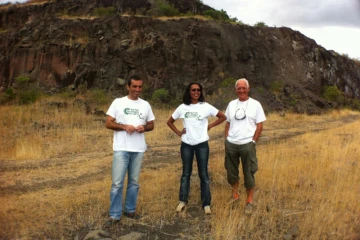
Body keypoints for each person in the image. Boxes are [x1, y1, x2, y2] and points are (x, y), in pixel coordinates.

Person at [167, 82, 226, 215]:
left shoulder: (205, 106)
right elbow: (169, 121)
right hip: (186, 144)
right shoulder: (182, 107)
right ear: (189, 92)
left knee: (203, 174)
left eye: (198, 90)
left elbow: (223, 117)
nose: (196, 92)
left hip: (202, 144)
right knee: (185, 174)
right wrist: (178, 132)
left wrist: (210, 126)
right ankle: (182, 201)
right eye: (193, 90)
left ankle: (206, 204)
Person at [105, 75, 155, 227]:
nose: (137, 90)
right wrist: (124, 126)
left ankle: (130, 210)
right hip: (121, 148)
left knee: (134, 183)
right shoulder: (118, 102)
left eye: (140, 87)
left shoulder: (145, 105)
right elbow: (108, 123)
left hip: (138, 149)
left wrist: (143, 128)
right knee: (117, 183)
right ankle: (114, 214)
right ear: (128, 87)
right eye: (134, 86)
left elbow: (151, 125)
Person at [224, 78, 266, 214]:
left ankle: (249, 201)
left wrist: (253, 141)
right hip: (231, 144)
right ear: (236, 90)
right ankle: (235, 195)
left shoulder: (255, 104)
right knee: (232, 172)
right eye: (238, 88)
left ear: (248, 89)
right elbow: (228, 123)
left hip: (247, 144)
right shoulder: (231, 104)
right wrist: (227, 139)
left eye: (243, 88)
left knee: (249, 173)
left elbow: (260, 125)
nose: (241, 90)